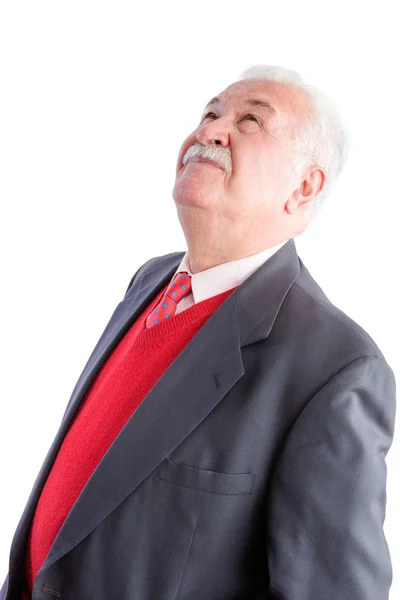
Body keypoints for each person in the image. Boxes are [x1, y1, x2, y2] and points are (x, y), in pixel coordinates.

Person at [0, 64, 396, 600]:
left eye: (251, 120)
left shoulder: (337, 369)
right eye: (211, 112)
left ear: (305, 187)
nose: (208, 130)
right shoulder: (151, 281)